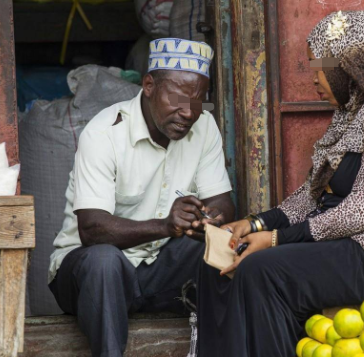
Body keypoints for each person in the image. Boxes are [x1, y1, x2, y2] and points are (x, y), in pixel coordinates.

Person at [196, 11, 364, 357]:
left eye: (320, 68)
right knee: (217, 261)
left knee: (263, 270)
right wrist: (257, 223)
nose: (315, 80)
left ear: (350, 64)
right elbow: (312, 194)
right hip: (356, 240)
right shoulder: (353, 113)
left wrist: (278, 239)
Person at [48, 38, 235, 357]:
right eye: (176, 98)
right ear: (148, 85)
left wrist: (206, 218)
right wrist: (166, 226)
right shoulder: (104, 132)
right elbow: (91, 230)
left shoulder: (204, 128)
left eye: (198, 100)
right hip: (90, 276)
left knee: (230, 247)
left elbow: (223, 206)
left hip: (157, 269)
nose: (188, 112)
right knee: (104, 260)